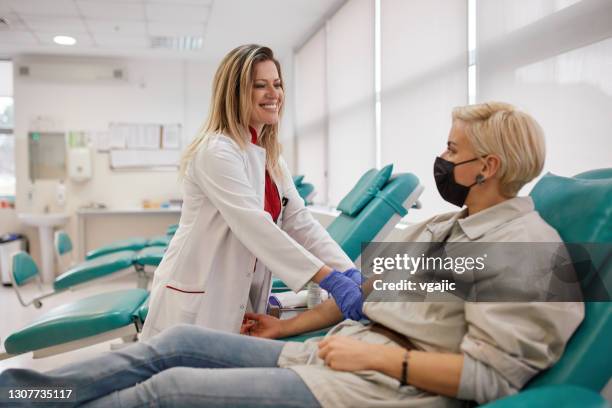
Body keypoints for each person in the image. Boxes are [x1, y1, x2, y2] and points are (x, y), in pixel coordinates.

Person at [0, 102, 584, 407]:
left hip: (381, 389)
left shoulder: (527, 252)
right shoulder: (444, 227)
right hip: (342, 355)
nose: (441, 158)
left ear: (488, 167)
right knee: (173, 347)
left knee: (167, 391)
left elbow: (490, 377)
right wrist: (290, 326)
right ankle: (26, 394)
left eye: (452, 150)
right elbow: (366, 292)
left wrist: (377, 362)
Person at [140, 44, 362, 340]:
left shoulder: (270, 157)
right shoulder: (216, 151)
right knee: (181, 380)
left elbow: (300, 222)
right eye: (260, 86)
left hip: (239, 295)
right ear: (235, 93)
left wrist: (349, 274)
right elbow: (257, 227)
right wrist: (329, 279)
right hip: (199, 296)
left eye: (277, 84)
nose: (274, 94)